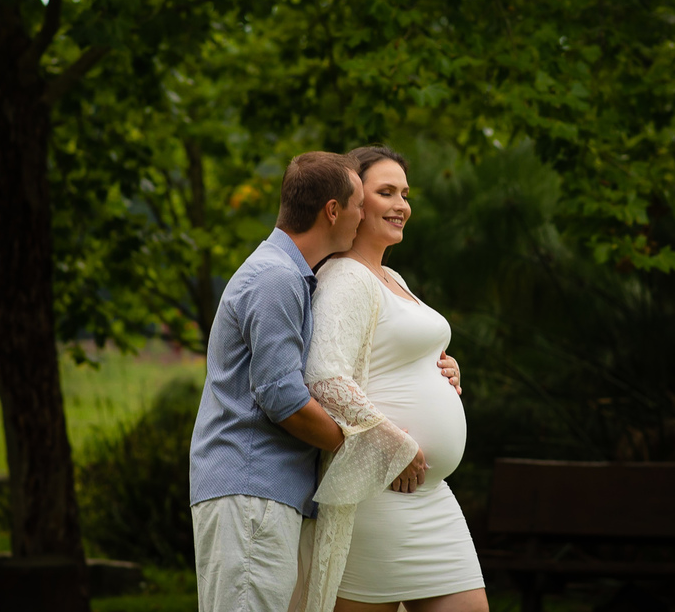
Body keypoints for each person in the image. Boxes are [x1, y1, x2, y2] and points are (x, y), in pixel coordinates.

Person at [297, 146, 487, 612]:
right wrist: (391, 444)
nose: (402, 204)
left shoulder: (390, 276)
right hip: (378, 493)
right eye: (386, 192)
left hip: (430, 495)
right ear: (356, 204)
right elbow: (323, 376)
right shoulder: (346, 278)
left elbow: (393, 353)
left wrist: (442, 368)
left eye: (405, 193)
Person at [189, 151, 362, 612]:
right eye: (359, 205)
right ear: (332, 210)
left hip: (258, 492)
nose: (363, 217)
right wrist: (352, 443)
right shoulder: (277, 278)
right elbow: (279, 395)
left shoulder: (286, 274)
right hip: (252, 487)